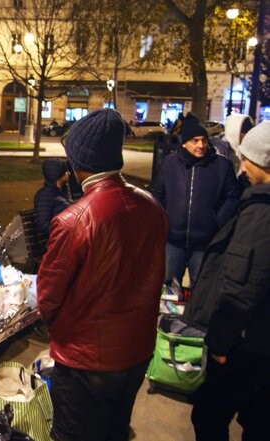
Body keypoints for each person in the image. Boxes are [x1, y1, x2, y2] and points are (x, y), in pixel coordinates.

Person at [36, 108, 168, 441]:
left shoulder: (73, 220)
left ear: (76, 161)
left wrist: (54, 325)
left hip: (87, 359)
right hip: (136, 350)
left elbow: (48, 295)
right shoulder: (151, 206)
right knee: (114, 430)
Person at [183, 121, 270, 441]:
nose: (243, 165)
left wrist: (220, 341)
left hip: (246, 341)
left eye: (248, 159)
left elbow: (242, 282)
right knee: (260, 419)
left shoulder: (260, 213)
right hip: (259, 339)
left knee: (208, 411)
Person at [149, 113, 239, 289]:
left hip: (205, 243)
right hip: (173, 241)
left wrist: (216, 222)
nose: (201, 145)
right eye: (195, 141)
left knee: (203, 291)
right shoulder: (170, 164)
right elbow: (156, 194)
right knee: (169, 289)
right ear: (184, 142)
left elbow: (232, 197)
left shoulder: (221, 166)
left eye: (204, 140)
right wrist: (165, 221)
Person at [33, 158, 71, 248]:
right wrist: (61, 230)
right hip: (52, 244)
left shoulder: (60, 192)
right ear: (59, 175)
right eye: (65, 172)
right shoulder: (45, 195)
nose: (68, 173)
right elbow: (43, 224)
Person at [211, 114, 254, 186]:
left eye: (249, 132)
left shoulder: (240, 149)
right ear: (234, 131)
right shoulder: (219, 149)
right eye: (244, 132)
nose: (247, 136)